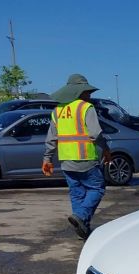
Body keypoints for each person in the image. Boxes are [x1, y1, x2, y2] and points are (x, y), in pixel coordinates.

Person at [42, 74, 112, 240]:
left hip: (66, 161)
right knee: (96, 188)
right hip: (86, 158)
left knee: (77, 193)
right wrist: (106, 150)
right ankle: (80, 216)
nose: (89, 95)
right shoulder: (86, 108)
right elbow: (95, 134)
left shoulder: (58, 111)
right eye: (87, 92)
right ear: (78, 92)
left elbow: (51, 137)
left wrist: (47, 158)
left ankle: (83, 227)